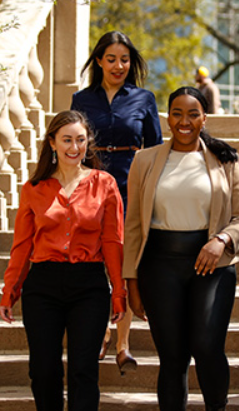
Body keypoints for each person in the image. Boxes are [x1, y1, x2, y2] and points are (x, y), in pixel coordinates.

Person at [123, 87, 239, 411]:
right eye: (177, 113)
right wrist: (131, 280)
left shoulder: (225, 160)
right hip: (159, 265)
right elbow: (132, 226)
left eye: (193, 113)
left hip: (210, 264)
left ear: (205, 117)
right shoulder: (145, 161)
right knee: (173, 357)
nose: (184, 121)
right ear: (167, 117)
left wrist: (222, 240)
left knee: (207, 346)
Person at [0, 110, 126, 411]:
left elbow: (113, 243)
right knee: (45, 370)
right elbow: (22, 245)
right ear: (52, 143)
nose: (74, 147)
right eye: (67, 139)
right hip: (44, 286)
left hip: (89, 285)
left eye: (81, 140)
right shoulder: (34, 189)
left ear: (88, 144)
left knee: (84, 370)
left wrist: (118, 293)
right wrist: (10, 289)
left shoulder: (105, 184)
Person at [72, 31, 163, 374]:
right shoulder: (81, 98)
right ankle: (100, 332)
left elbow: (156, 151)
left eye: (124, 60)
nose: (118, 66)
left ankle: (123, 343)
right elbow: (72, 146)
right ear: (98, 61)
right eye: (111, 59)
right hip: (91, 188)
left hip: (130, 187)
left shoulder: (144, 98)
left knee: (124, 268)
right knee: (95, 264)